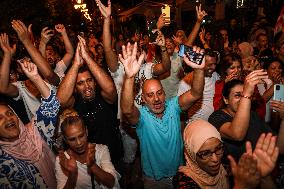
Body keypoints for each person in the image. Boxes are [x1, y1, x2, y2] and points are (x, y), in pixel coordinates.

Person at [120, 42, 205, 188]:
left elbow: (195, 93)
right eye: (150, 95)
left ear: (164, 94)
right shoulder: (142, 118)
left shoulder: (174, 106)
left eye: (159, 93)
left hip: (179, 173)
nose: (156, 98)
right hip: (154, 180)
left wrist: (199, 70)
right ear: (144, 100)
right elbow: (127, 110)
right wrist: (129, 77)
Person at [56, 36, 122, 169]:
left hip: (114, 152)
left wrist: (87, 57)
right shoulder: (74, 102)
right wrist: (75, 64)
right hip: (91, 158)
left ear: (95, 81)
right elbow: (60, 101)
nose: (87, 86)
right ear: (75, 87)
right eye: (80, 83)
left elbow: (110, 88)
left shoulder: (104, 96)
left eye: (89, 80)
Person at [0, 56, 60, 188]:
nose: (8, 118)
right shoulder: (2, 162)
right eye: (0, 118)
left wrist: (36, 78)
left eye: (10, 113)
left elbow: (51, 106)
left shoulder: (34, 132)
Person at [173, 119, 279, 189]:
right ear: (191, 155)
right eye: (205, 153)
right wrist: (241, 186)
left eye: (218, 148)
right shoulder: (183, 182)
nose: (215, 159)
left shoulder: (226, 169)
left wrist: (263, 176)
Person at [209, 70, 272, 160]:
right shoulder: (216, 117)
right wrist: (246, 94)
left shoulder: (253, 115)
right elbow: (237, 134)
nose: (243, 100)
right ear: (226, 99)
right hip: (233, 171)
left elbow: (278, 146)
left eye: (245, 96)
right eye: (238, 95)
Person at [55, 116, 121, 189]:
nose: (79, 143)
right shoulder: (62, 160)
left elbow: (112, 183)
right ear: (65, 140)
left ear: (86, 131)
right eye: (72, 139)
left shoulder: (101, 150)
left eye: (81, 136)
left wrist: (93, 165)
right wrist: (72, 174)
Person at [178, 49, 220, 123]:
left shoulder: (215, 75)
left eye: (215, 64)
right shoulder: (187, 81)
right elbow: (180, 109)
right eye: (210, 65)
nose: (213, 68)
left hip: (214, 122)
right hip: (196, 124)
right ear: (201, 63)